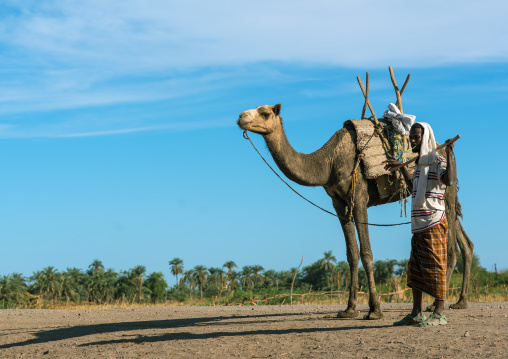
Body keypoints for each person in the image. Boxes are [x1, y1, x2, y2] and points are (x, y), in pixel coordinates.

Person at [383, 122, 456, 326]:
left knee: (436, 267)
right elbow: (413, 188)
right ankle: (416, 312)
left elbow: (449, 181)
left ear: (426, 138)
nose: (412, 141)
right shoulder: (420, 165)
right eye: (411, 137)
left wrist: (450, 155)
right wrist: (402, 167)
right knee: (415, 268)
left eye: (416, 137)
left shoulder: (438, 161)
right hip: (418, 224)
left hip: (434, 221)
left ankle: (439, 313)